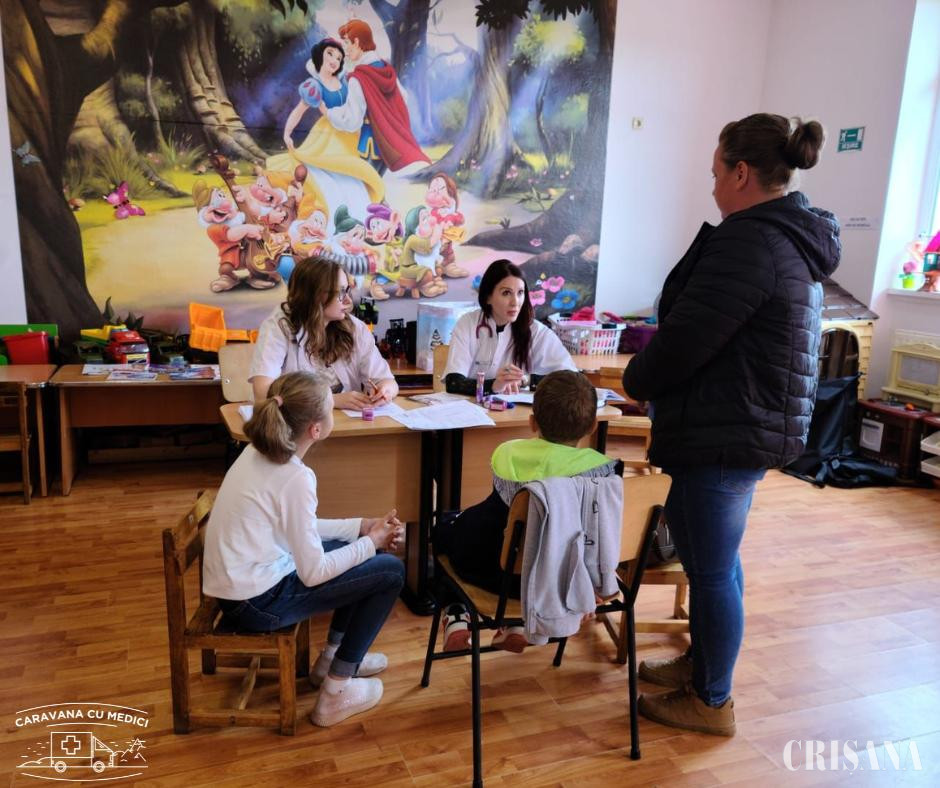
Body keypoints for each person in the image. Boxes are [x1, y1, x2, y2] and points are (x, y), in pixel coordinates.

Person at [622, 114, 841, 737]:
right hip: (737, 425)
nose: (713, 185)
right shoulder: (783, 236)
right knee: (711, 561)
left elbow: (687, 338)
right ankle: (704, 666)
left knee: (713, 570)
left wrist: (636, 380)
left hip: (726, 432)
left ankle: (711, 701)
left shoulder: (750, 242)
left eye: (717, 172)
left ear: (741, 173)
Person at [202, 371, 405, 726]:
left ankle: (331, 660)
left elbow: (300, 528)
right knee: (390, 571)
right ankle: (335, 693)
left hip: (241, 591)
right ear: (316, 429)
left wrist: (360, 527)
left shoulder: (258, 452)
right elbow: (314, 572)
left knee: (356, 550)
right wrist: (371, 541)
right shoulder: (295, 477)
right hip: (256, 603)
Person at [433, 370, 621, 652]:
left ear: (532, 422)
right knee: (523, 541)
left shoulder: (507, 452)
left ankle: (456, 614)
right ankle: (515, 625)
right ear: (594, 426)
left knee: (444, 529)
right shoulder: (604, 471)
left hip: (491, 569)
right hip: (558, 583)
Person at [250, 256, 399, 410]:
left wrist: (385, 390)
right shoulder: (278, 326)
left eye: (347, 290)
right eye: (341, 292)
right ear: (315, 295)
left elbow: (387, 381)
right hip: (294, 422)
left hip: (346, 421)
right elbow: (263, 393)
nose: (348, 300)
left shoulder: (355, 328)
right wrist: (331, 401)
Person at [268, 37, 385, 232]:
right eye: (330, 54)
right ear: (320, 55)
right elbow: (299, 110)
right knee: (327, 175)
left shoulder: (345, 81)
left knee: (351, 175)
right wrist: (287, 133)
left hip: (349, 136)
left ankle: (357, 222)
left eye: (338, 58)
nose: (334, 60)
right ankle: (329, 222)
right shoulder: (314, 86)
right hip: (327, 137)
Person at [443, 259, 576, 395]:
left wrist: (525, 380)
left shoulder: (537, 331)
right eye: (506, 293)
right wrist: (493, 385)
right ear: (488, 297)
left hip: (516, 408)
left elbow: (573, 379)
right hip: (470, 406)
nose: (515, 302)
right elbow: (453, 382)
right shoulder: (468, 323)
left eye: (520, 293)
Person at [322, 19, 430, 174]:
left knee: (365, 186)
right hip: (389, 147)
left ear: (357, 42)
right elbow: (403, 98)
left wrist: (330, 113)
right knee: (376, 186)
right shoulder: (387, 70)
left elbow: (352, 121)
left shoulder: (358, 78)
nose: (345, 49)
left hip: (369, 146)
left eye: (346, 43)